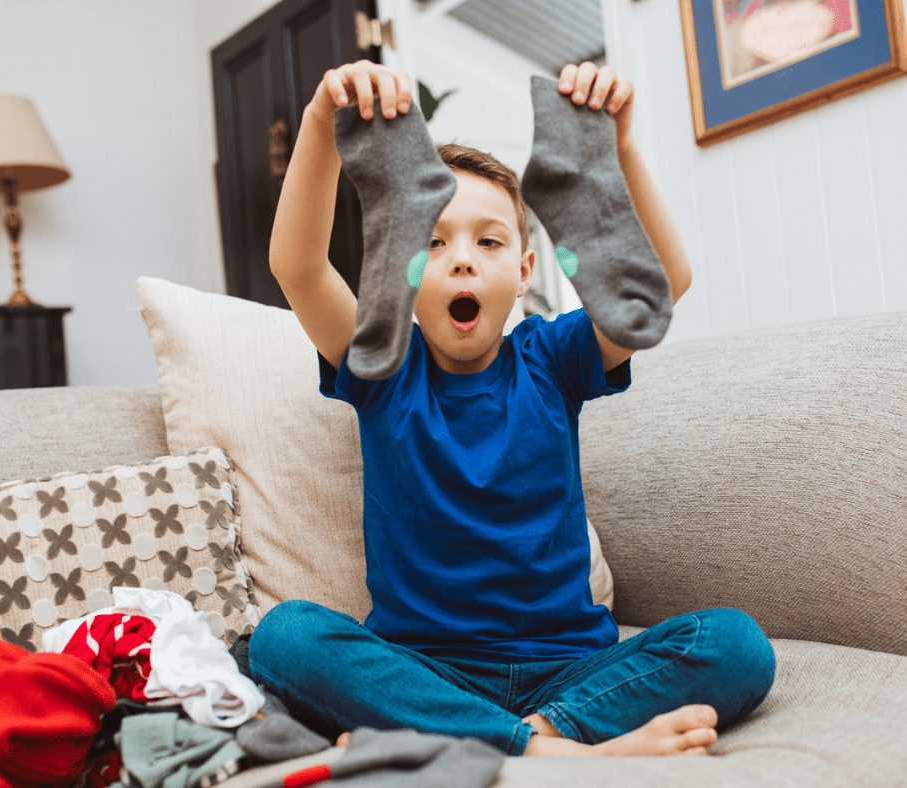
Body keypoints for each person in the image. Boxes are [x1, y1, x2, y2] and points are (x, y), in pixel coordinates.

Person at [249, 59, 775, 758]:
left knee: (736, 645)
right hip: (426, 670)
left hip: (571, 668)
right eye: (433, 241)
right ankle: (549, 749)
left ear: (526, 274)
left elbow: (663, 283)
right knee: (284, 638)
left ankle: (529, 735)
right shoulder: (381, 362)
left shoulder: (553, 359)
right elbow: (300, 267)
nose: (462, 259)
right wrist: (320, 122)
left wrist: (616, 151)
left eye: (488, 241)